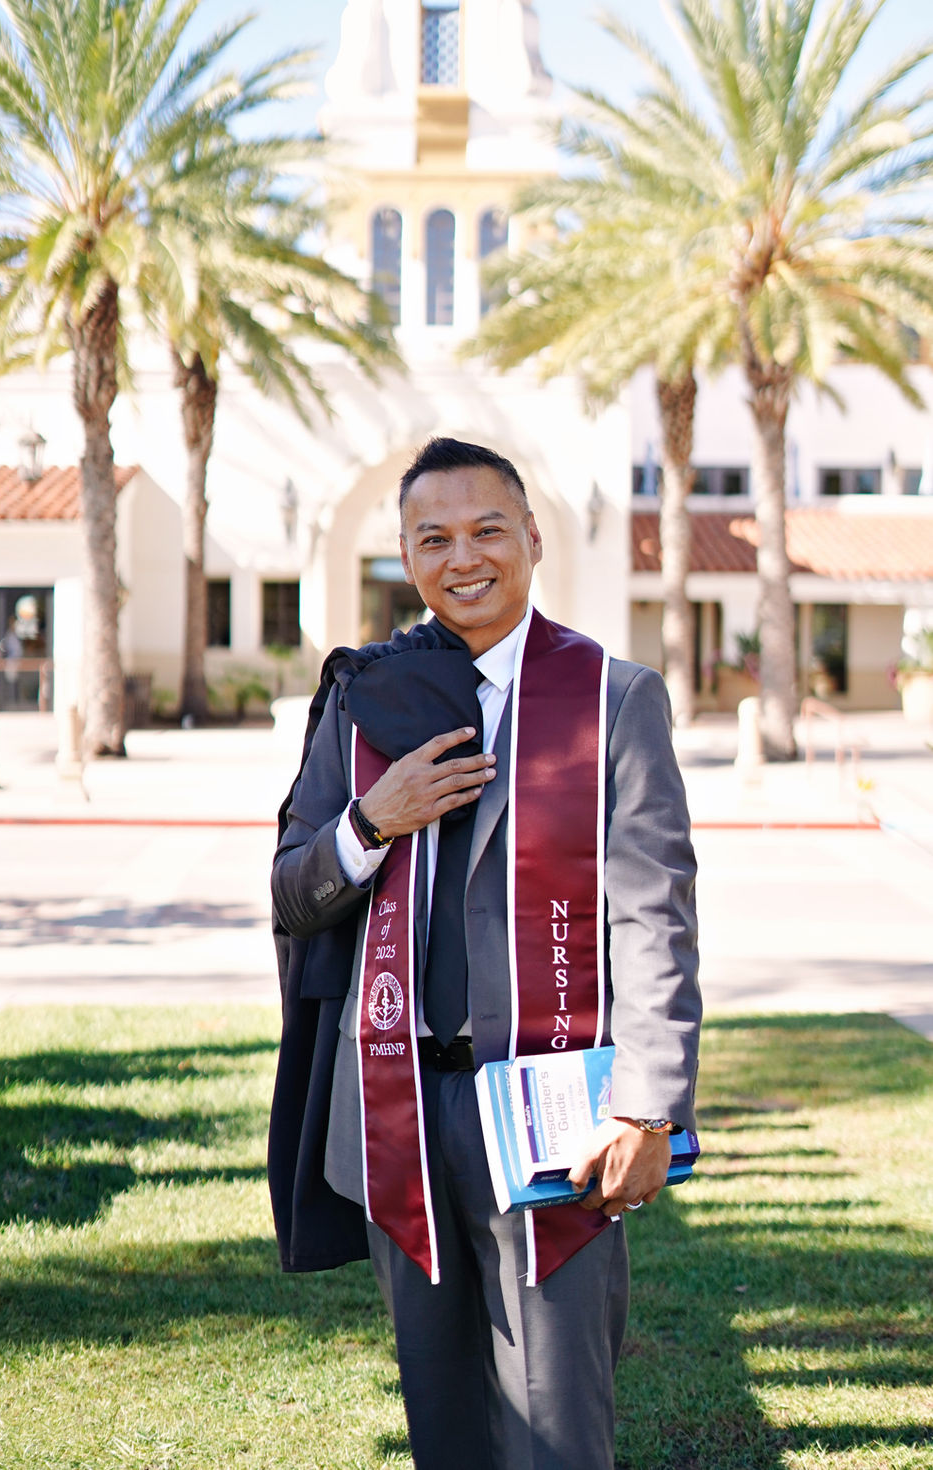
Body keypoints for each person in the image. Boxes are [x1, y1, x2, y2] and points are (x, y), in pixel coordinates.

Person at [269, 437, 701, 1470]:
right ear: (406, 558)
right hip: (393, 1105)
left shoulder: (610, 697)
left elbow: (654, 915)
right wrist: (369, 823)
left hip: (557, 1109)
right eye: (432, 539)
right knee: (443, 1419)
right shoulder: (363, 698)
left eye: (484, 530)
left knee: (557, 1424)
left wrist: (648, 1106)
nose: (462, 558)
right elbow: (293, 892)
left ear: (531, 538)